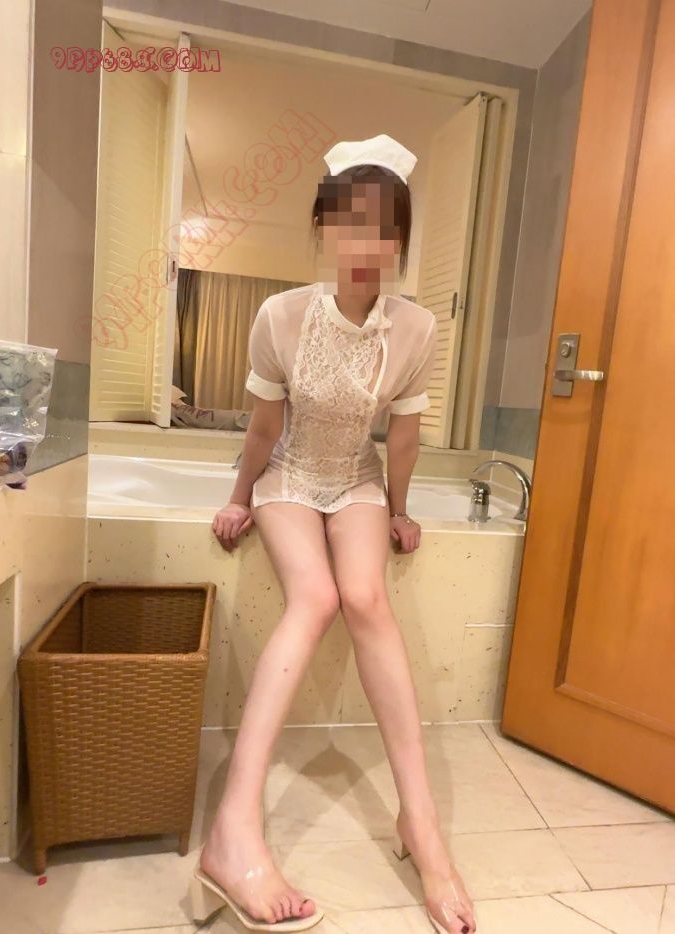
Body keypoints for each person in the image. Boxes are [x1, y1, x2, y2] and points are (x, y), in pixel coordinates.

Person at [188, 134, 477, 933]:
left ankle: (421, 824)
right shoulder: (280, 315)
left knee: (366, 599)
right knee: (313, 598)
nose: (365, 244)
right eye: (349, 224)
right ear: (323, 228)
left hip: (355, 479)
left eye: (384, 229)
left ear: (401, 240)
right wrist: (239, 499)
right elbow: (262, 429)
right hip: (287, 475)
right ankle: (233, 828)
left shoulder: (416, 328)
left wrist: (400, 509)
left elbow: (404, 439)